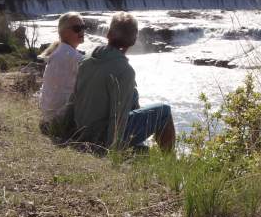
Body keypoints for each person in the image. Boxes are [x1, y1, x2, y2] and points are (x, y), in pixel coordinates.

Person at [71, 12, 175, 152]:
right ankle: (168, 161)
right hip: (100, 137)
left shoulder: (86, 59)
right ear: (133, 40)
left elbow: (74, 99)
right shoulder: (124, 71)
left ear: (108, 34)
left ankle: (138, 147)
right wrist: (110, 151)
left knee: (133, 94)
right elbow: (118, 117)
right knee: (164, 111)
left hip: (82, 129)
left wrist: (69, 131)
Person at [38, 12, 86, 137]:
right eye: (77, 28)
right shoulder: (72, 57)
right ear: (63, 32)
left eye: (83, 27)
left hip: (48, 118)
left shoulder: (59, 52)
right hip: (60, 122)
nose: (82, 31)